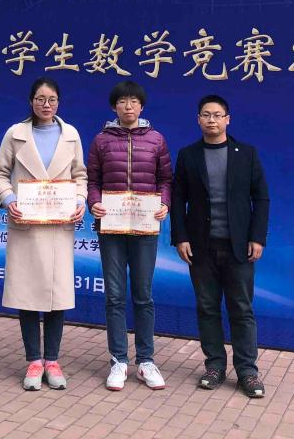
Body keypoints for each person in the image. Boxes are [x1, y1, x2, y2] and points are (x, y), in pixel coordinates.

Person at [170, 94, 270, 399]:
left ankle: (247, 371)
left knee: (241, 309)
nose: (211, 120)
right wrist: (180, 237)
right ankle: (214, 366)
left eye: (217, 115)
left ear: (228, 119)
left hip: (239, 247)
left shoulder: (246, 154)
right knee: (207, 308)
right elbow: (178, 199)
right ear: (198, 119)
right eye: (206, 115)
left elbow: (261, 197)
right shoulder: (188, 155)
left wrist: (257, 237)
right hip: (201, 247)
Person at [0, 77, 88, 391]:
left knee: (58, 295)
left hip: (58, 226)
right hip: (27, 226)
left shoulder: (71, 134)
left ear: (59, 102)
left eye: (52, 99)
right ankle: (34, 360)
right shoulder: (15, 134)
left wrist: (80, 200)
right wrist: (9, 199)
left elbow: (80, 175)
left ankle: (53, 361)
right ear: (31, 101)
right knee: (28, 293)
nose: (46, 105)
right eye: (40, 99)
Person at [87, 80, 172, 391]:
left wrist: (164, 203)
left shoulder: (156, 139)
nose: (128, 106)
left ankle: (146, 361)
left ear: (141, 106)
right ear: (114, 106)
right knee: (114, 296)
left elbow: (165, 179)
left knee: (143, 295)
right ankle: (119, 360)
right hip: (111, 228)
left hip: (145, 228)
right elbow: (92, 180)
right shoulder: (101, 140)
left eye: (133, 101)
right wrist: (94, 202)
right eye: (122, 101)